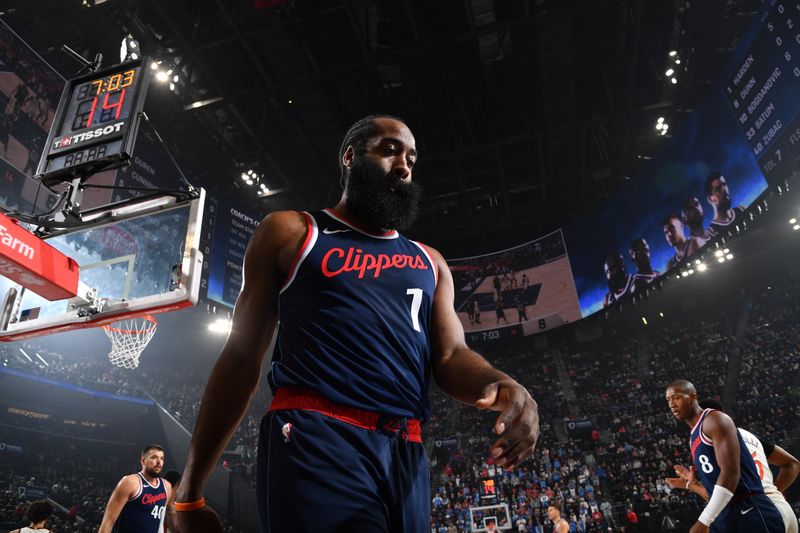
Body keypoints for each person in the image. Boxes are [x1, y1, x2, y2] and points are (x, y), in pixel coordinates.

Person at [173, 115, 539, 532]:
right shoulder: (292, 232)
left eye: (411, 158)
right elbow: (239, 359)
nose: (403, 165)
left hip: (407, 449)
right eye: (389, 150)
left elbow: (452, 355)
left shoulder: (430, 262)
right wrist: (188, 494)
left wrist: (501, 380)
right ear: (350, 156)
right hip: (318, 435)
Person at [664, 380, 784, 532]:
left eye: (677, 397)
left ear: (693, 397)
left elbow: (731, 474)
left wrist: (703, 521)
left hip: (749, 509)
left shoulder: (714, 420)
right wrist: (692, 485)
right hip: (725, 515)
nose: (671, 404)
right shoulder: (693, 437)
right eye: (668, 400)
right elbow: (718, 494)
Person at [99, 445, 172, 533]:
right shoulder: (130, 482)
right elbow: (109, 521)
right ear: (143, 461)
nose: (158, 462)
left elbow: (161, 522)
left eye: (162, 458)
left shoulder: (167, 486)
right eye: (154, 457)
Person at [705, 172, 746, 238]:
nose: (724, 190)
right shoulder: (711, 233)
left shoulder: (742, 209)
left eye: (724, 185)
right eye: (718, 189)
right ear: (710, 199)